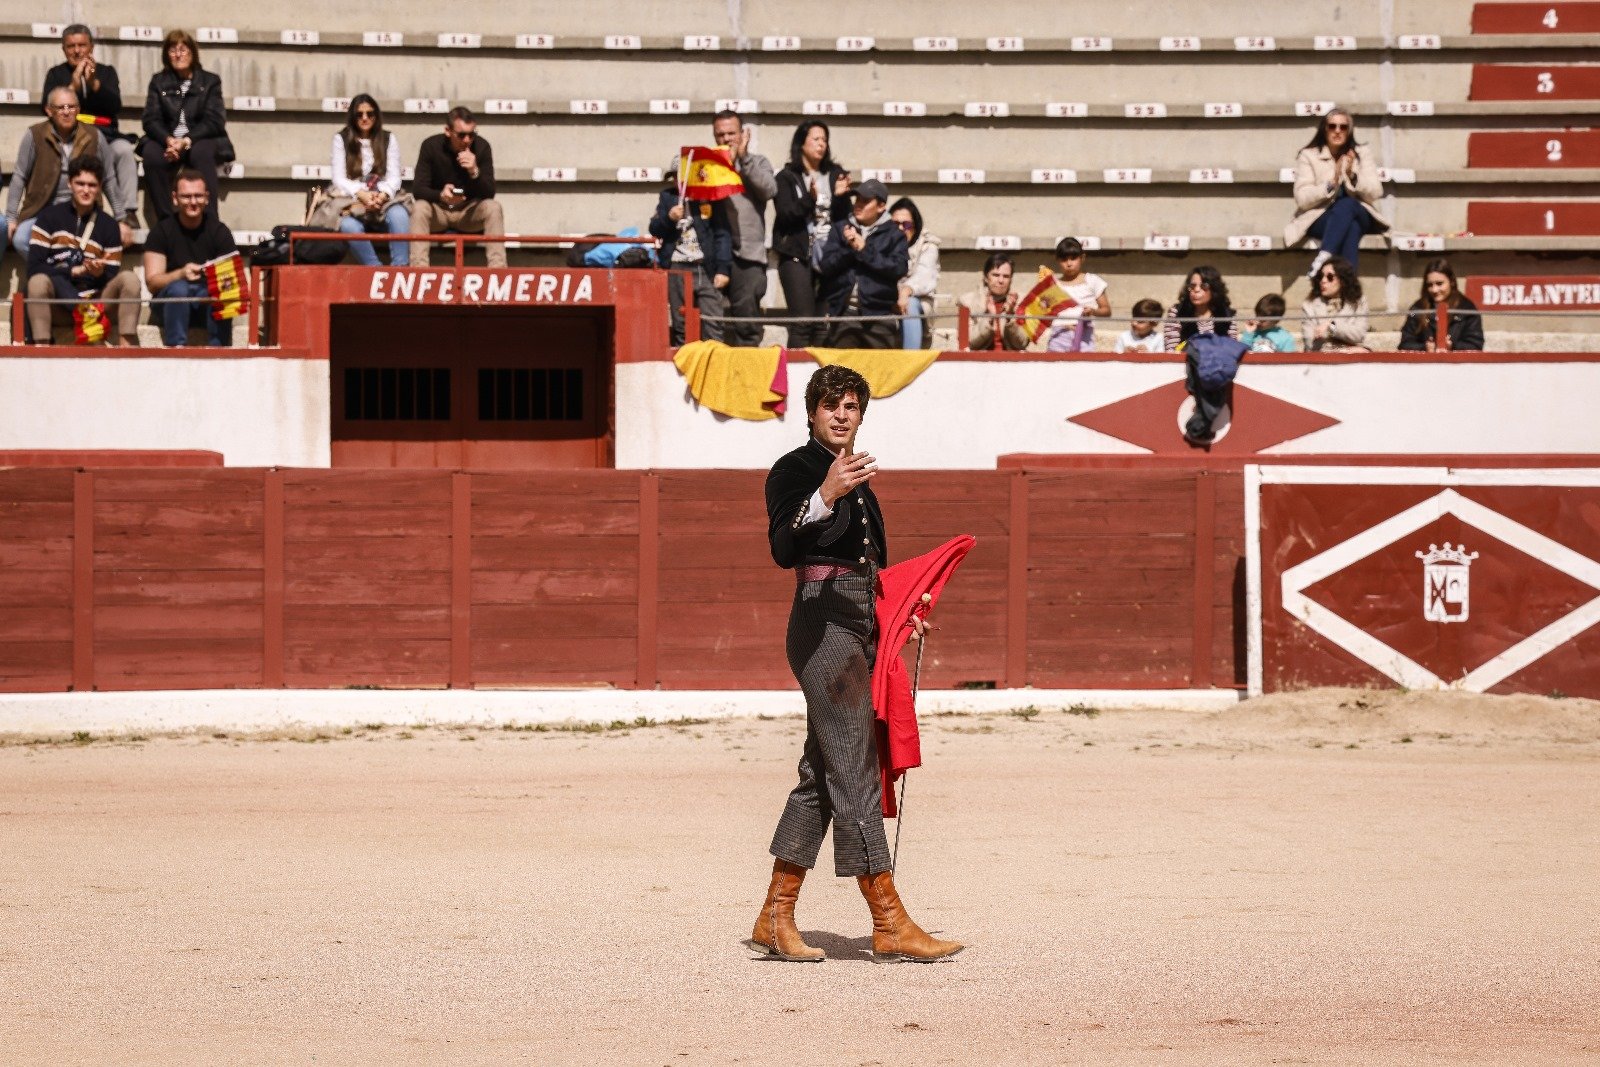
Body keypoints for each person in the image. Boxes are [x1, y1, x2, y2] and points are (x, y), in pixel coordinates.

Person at [754, 363, 963, 965]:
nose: (843, 415)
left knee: (823, 773)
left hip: (859, 623)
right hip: (821, 627)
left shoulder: (863, 478)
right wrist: (828, 493)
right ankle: (889, 920)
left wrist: (901, 618)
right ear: (812, 412)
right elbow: (782, 546)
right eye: (831, 405)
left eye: (852, 406)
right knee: (854, 771)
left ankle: (774, 915)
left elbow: (871, 568)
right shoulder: (794, 471)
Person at [24, 157, 139, 345]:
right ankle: (41, 347)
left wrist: (99, 273)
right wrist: (73, 271)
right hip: (59, 305)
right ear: (70, 184)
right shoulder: (48, 217)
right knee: (37, 282)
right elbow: (34, 268)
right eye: (80, 183)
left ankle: (127, 347)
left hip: (96, 304)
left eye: (92, 185)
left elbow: (112, 274)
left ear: (100, 186)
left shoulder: (109, 225)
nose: (86, 190)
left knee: (130, 279)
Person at [42, 24, 139, 242]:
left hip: (107, 135)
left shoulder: (106, 72)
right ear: (63, 49)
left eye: (82, 46)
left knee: (124, 150)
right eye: (71, 46)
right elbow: (46, 109)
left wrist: (93, 83)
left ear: (91, 47)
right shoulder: (56, 74)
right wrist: (73, 85)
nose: (77, 51)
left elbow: (115, 106)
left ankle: (129, 212)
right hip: (73, 137)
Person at [7, 87, 128, 259]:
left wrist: (121, 218)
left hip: (83, 212)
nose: (66, 112)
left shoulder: (94, 136)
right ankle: (56, 274)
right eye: (60, 107)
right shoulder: (34, 135)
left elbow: (108, 178)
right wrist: (11, 217)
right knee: (20, 239)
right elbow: (19, 176)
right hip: (42, 211)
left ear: (78, 110)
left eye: (71, 107)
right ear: (49, 110)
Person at [773, 121, 853, 348]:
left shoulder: (836, 175)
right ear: (801, 143)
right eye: (815, 139)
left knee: (823, 325)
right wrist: (810, 198)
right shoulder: (786, 177)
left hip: (830, 256)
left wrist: (839, 197)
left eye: (824, 139)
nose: (821, 144)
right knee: (803, 321)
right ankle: (797, 376)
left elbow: (845, 217)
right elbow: (786, 214)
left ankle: (822, 380)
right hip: (797, 254)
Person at [1285, 108, 1389, 277]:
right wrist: (1331, 183)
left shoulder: (1361, 153)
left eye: (1343, 127)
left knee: (1347, 205)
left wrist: (1352, 176)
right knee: (1351, 228)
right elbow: (1302, 199)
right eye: (1332, 126)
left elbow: (1376, 192)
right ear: (1324, 129)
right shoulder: (1309, 155)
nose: (1338, 131)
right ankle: (1349, 289)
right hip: (1321, 216)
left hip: (1359, 211)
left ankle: (1325, 255)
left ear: (1350, 131)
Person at [140, 29, 230, 222]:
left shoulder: (210, 81)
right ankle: (166, 222)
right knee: (151, 155)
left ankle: (210, 220)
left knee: (202, 153)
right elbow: (150, 119)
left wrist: (187, 141)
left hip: (199, 139)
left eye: (183, 49)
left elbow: (215, 120)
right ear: (166, 55)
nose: (178, 54)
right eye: (173, 50)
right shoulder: (159, 81)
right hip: (169, 138)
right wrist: (169, 140)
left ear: (192, 53)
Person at [142, 169, 237, 347]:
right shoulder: (161, 231)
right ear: (175, 198)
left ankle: (219, 350)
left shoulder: (219, 231)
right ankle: (177, 349)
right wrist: (180, 274)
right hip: (170, 304)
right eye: (186, 196)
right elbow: (152, 283)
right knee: (179, 289)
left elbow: (233, 282)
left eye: (198, 196)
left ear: (207, 197)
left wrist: (213, 279)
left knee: (221, 292)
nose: (193, 202)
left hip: (205, 301)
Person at [815, 178, 909, 349]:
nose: (858, 205)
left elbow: (898, 268)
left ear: (881, 206)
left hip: (879, 315)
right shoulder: (840, 228)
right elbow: (826, 265)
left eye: (865, 201)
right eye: (857, 199)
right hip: (844, 314)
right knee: (840, 372)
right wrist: (850, 249)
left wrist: (864, 249)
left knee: (882, 373)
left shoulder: (895, 234)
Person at [318, 96, 411, 266]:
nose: (365, 118)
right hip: (352, 200)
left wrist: (382, 196)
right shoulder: (341, 139)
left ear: (376, 116)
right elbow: (338, 179)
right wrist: (362, 195)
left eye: (370, 113)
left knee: (400, 215)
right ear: (352, 117)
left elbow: (394, 177)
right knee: (348, 226)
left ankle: (400, 269)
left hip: (383, 198)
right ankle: (375, 269)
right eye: (359, 114)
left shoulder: (388, 138)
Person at [649, 157, 731, 345]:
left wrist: (723, 268)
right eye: (676, 178)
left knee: (713, 321)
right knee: (681, 323)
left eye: (685, 178)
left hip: (705, 267)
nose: (680, 183)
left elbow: (722, 234)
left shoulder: (709, 198)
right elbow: (654, 228)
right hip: (677, 267)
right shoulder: (667, 198)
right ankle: (684, 364)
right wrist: (669, 218)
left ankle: (713, 366)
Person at [713, 110, 777, 347]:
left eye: (732, 133)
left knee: (747, 325)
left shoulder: (757, 162)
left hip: (748, 257)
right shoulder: (708, 166)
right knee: (709, 321)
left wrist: (744, 158)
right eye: (720, 134)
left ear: (743, 134)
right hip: (714, 254)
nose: (727, 139)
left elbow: (769, 190)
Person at [410, 107, 504, 267]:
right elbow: (418, 190)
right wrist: (440, 195)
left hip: (468, 212)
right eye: (461, 135)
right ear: (448, 131)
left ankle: (498, 271)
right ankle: (419, 272)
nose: (467, 140)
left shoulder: (481, 147)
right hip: (439, 211)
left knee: (493, 208)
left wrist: (475, 171)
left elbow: (490, 193)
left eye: (472, 134)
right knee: (419, 208)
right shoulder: (431, 146)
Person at [1165, 266, 1241, 442]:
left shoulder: (1226, 315)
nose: (1196, 291)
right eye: (1192, 286)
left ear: (1213, 289)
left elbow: (1231, 347)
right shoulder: (1177, 312)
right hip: (1186, 367)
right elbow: (1171, 348)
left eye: (1203, 286)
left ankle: (1203, 418)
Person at [1399, 258, 1485, 352]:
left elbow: (1475, 344)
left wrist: (1452, 346)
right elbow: (1405, 344)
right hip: (1425, 365)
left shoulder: (1467, 308)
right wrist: (1425, 348)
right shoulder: (1417, 309)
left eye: (1439, 284)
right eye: (1430, 285)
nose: (1434, 290)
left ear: (1451, 282)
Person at [1043, 237, 1110, 352]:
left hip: (1084, 336)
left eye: (1073, 258)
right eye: (1064, 259)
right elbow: (1045, 316)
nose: (1069, 263)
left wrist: (1092, 311)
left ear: (1082, 258)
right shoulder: (1053, 285)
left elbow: (1106, 310)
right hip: (1058, 336)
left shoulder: (1092, 280)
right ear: (1058, 260)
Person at [890, 197, 939, 349]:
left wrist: (906, 291)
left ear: (915, 227)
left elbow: (924, 276)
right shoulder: (880, 245)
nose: (900, 229)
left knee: (909, 304)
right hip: (888, 300)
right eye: (894, 224)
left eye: (906, 225)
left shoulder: (928, 246)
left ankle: (910, 360)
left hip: (917, 302)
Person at [957, 253, 1028, 351]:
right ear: (986, 278)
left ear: (1011, 279)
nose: (1001, 280)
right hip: (979, 362)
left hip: (1012, 362)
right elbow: (969, 343)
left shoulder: (1020, 302)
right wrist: (989, 318)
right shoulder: (967, 302)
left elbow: (1022, 343)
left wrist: (1010, 317)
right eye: (995, 275)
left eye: (1006, 276)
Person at [1302, 255, 1370, 352]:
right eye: (1321, 276)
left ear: (1343, 280)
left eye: (1330, 277)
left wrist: (1332, 327)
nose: (1323, 281)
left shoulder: (1359, 302)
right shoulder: (1309, 305)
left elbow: (1359, 335)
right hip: (1322, 362)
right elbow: (1310, 343)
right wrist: (1345, 350)